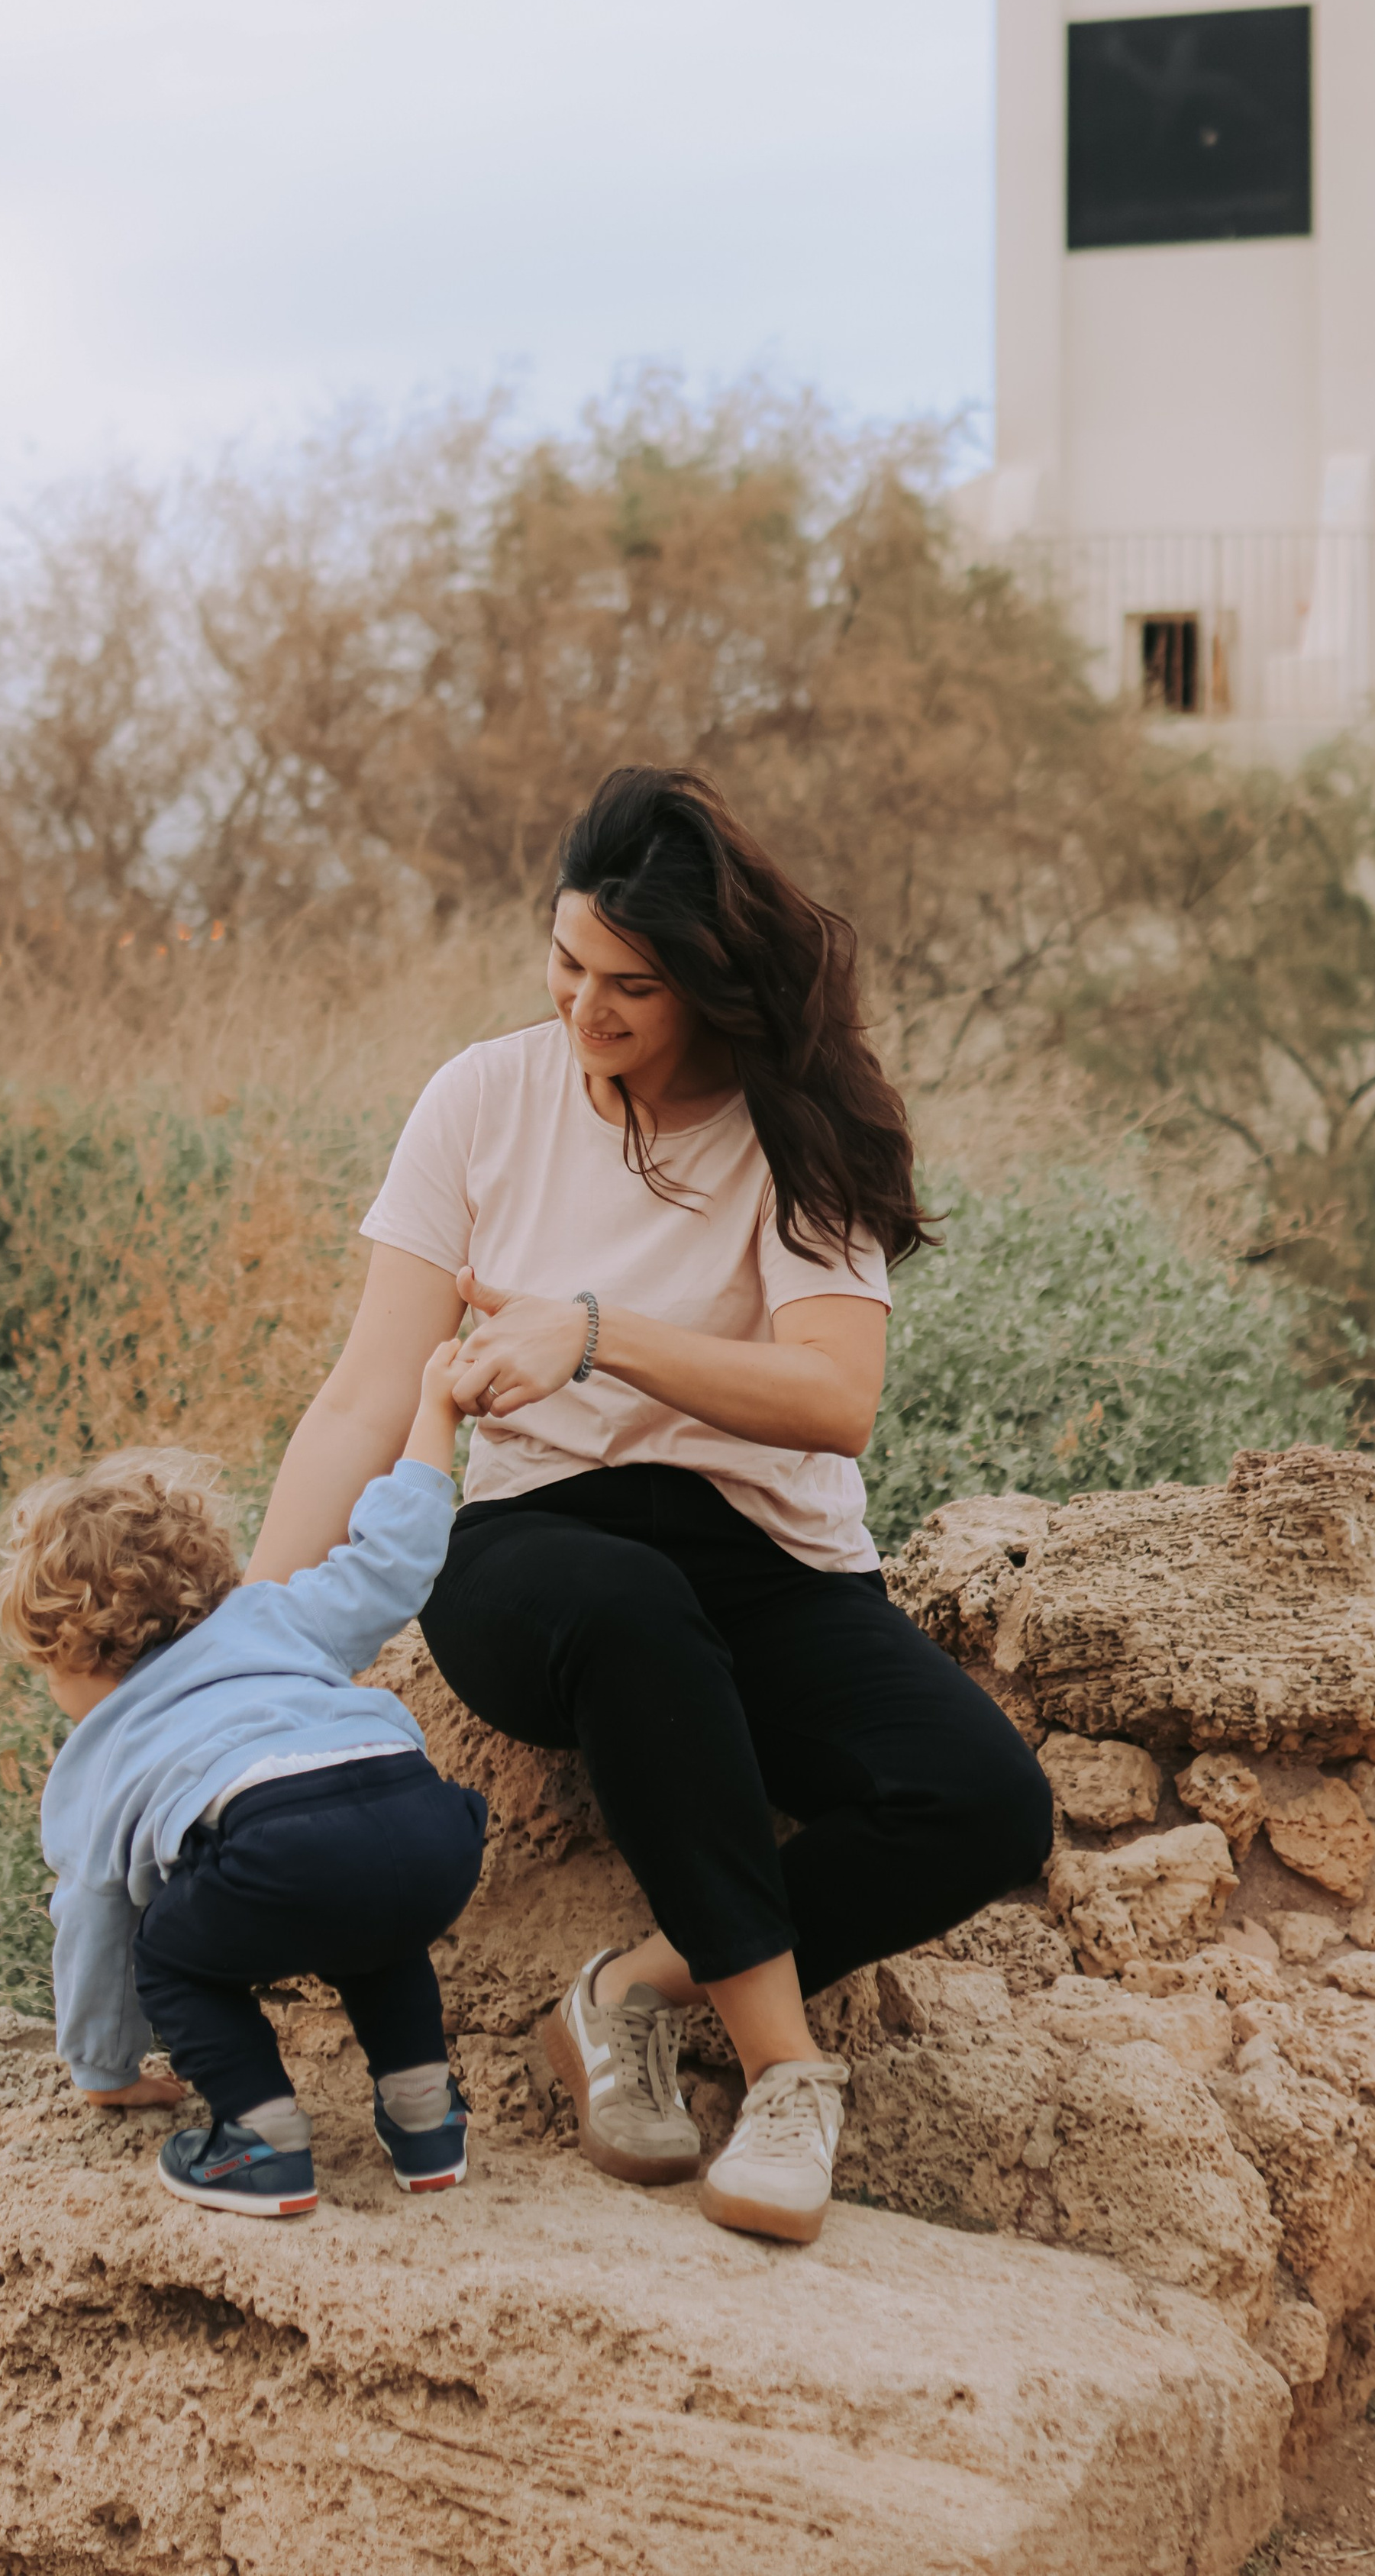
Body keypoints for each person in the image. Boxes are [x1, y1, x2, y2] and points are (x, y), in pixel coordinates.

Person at [248, 766, 1054, 2246]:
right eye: (567, 963)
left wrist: (596, 1334)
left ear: (710, 981)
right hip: (538, 1550)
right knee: (627, 1609)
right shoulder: (481, 1100)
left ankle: (627, 1993)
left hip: (767, 1560)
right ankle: (786, 2074)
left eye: (631, 985)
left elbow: (834, 1398)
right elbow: (364, 1398)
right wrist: (252, 1637)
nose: (585, 1009)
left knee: (985, 1806)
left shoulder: (795, 1124)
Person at [0, 1343, 487, 2216]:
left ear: (72, 1652)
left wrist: (104, 2070)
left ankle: (259, 2140)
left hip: (281, 1843)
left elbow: (96, 1918)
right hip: (427, 1828)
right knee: (372, 1930)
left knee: (164, 1951)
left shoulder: (102, 1749)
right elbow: (394, 1560)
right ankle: (425, 2117)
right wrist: (435, 1417)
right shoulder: (278, 1615)